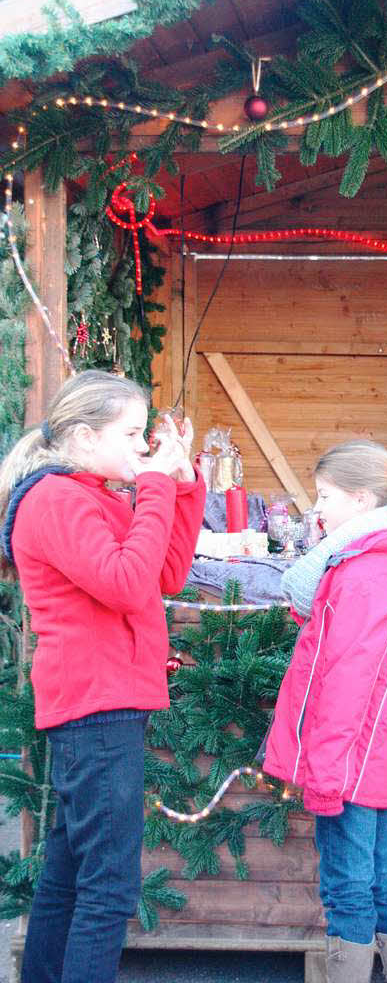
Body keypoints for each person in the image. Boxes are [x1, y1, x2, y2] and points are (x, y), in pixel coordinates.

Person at [0, 370, 206, 983]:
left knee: (69, 876)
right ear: (85, 438)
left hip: (102, 702)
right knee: (108, 888)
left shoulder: (92, 493)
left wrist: (182, 487)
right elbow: (123, 584)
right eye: (133, 434)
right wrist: (151, 487)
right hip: (96, 705)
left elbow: (165, 572)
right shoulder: (58, 501)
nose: (143, 447)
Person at [263, 440, 387, 983]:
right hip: (381, 760)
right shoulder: (380, 564)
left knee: (347, 888)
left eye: (326, 497)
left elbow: (343, 690)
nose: (318, 509)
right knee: (386, 876)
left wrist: (325, 776)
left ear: (361, 501)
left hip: (352, 765)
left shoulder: (362, 577)